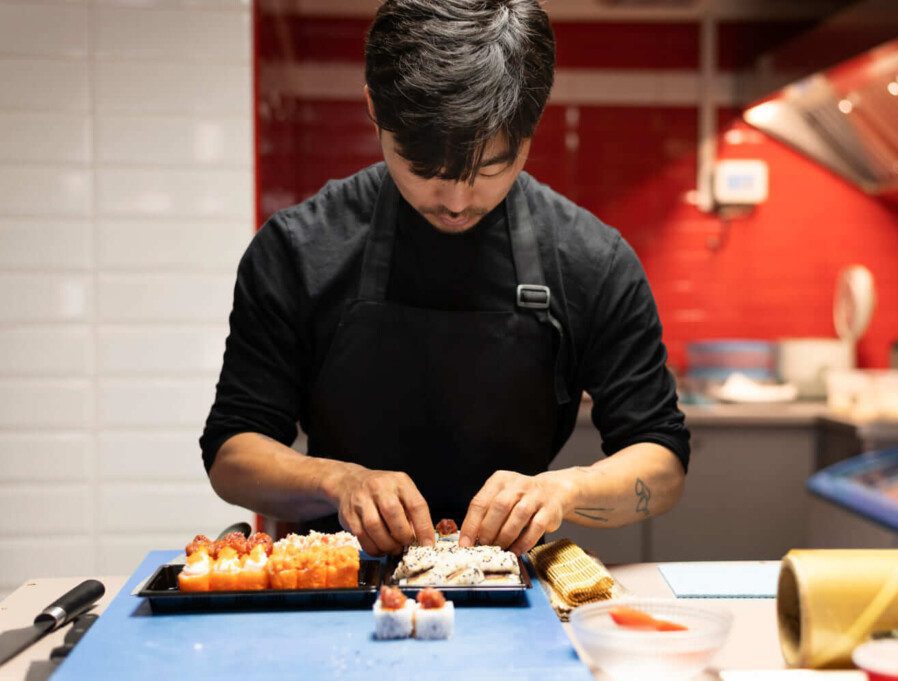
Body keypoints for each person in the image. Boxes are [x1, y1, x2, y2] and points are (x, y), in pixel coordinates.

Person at [200, 0, 690, 557]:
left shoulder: (591, 260)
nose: (456, 201)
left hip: (510, 582)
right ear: (373, 109)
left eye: (489, 169)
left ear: (532, 127)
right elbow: (231, 453)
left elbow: (662, 459)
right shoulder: (297, 249)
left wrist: (564, 490)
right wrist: (339, 481)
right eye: (424, 169)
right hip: (334, 577)